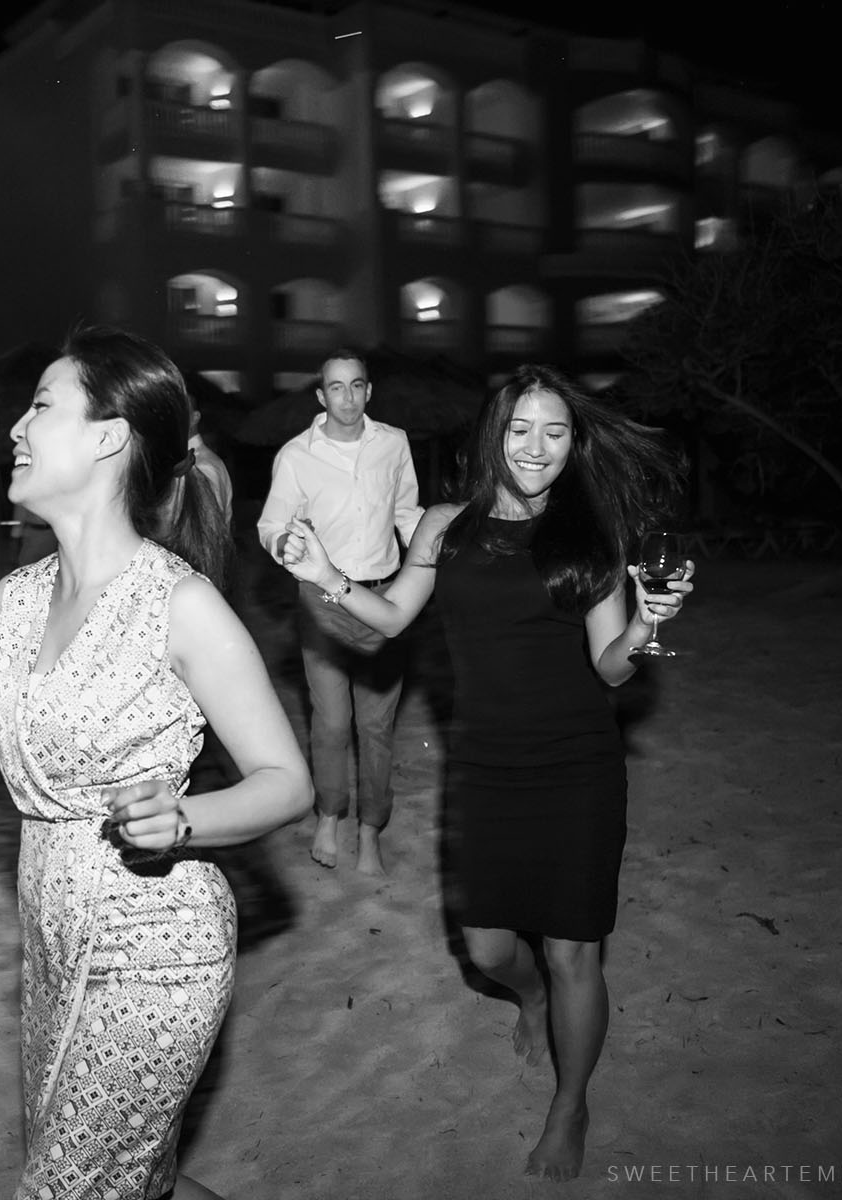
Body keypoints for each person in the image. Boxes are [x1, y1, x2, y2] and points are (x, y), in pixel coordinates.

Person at [0, 326, 312, 1200]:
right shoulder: (13, 602)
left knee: (70, 1187)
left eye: (42, 405)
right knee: (125, 1179)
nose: (16, 426)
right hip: (46, 927)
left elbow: (288, 781)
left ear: (109, 437)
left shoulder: (181, 603)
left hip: (156, 935)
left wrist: (187, 819)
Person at [279, 364, 694, 1182]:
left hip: (576, 765)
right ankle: (529, 997)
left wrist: (646, 623)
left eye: (555, 431)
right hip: (485, 766)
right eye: (520, 430)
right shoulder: (444, 526)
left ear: (574, 444)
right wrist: (325, 574)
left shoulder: (590, 533)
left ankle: (570, 1104)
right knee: (488, 947)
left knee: (577, 952)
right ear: (493, 435)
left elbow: (612, 669)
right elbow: (392, 616)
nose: (536, 448)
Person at [256, 348, 421, 875]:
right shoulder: (296, 455)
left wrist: (432, 565)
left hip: (382, 597)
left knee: (377, 726)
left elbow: (407, 514)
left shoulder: (393, 444)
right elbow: (270, 524)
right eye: (336, 387)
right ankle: (330, 814)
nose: (346, 397)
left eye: (356, 386)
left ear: (368, 391)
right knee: (331, 722)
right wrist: (284, 544)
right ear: (321, 395)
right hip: (323, 601)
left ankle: (371, 829)